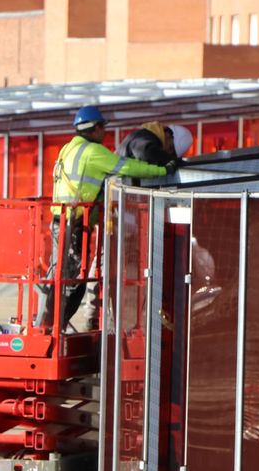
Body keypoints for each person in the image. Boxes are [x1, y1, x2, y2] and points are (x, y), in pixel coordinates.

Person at [37, 106, 178, 330]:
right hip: (75, 222)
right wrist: (163, 171)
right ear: (95, 129)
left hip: (61, 220)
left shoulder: (68, 148)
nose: (105, 133)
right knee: (73, 281)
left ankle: (48, 325)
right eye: (103, 127)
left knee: (62, 277)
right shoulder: (94, 151)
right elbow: (128, 167)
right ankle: (51, 327)